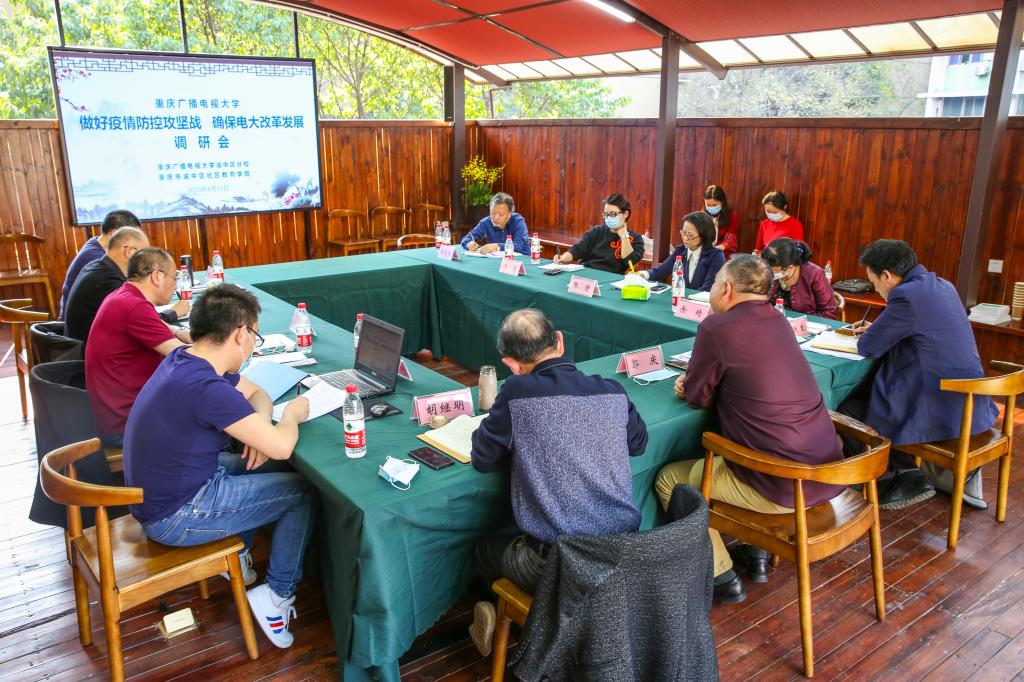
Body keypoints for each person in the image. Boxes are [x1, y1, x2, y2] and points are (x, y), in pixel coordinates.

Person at [123, 283, 314, 649]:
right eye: (255, 336)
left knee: (264, 467)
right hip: (176, 514)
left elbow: (257, 393)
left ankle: (237, 555)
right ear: (240, 334)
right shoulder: (205, 386)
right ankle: (276, 597)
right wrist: (291, 414)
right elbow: (281, 445)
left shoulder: (186, 358)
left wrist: (255, 430)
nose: (252, 344)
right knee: (301, 492)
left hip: (170, 491)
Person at [654, 256, 845, 603]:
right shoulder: (779, 319)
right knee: (741, 455)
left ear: (726, 289)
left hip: (781, 484)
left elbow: (697, 397)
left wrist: (688, 385)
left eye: (714, 283)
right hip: (826, 472)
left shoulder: (716, 327)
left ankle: (720, 576)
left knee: (672, 480)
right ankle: (755, 551)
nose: (712, 290)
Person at [467, 308, 648, 656]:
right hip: (622, 557)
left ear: (511, 364)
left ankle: (517, 624)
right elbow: (638, 443)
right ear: (560, 342)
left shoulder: (516, 391)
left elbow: (483, 458)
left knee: (484, 549)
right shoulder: (611, 389)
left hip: (555, 566)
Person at [842, 240, 998, 511]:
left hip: (939, 402)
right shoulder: (942, 285)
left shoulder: (906, 296)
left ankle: (894, 480)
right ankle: (911, 472)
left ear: (887, 275)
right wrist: (880, 327)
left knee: (847, 411)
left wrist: (875, 331)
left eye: (874, 282)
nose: (876, 290)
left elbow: (869, 347)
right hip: (969, 400)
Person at [85, 247, 191, 447]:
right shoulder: (134, 307)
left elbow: (156, 323)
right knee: (210, 409)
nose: (175, 284)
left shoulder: (122, 296)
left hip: (117, 413)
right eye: (174, 277)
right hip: (127, 424)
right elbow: (187, 358)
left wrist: (179, 331)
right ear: (157, 276)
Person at [64, 226, 188, 345]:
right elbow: (143, 321)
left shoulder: (97, 266)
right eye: (144, 254)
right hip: (89, 353)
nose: (149, 260)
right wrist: (173, 313)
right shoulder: (109, 282)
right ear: (130, 251)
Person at [59, 210, 141, 319]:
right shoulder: (96, 258)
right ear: (115, 233)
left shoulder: (95, 243)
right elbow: (125, 294)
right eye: (135, 236)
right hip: (75, 322)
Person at [552, 193, 644, 274]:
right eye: (606, 214)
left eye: (612, 214)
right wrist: (563, 258)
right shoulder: (597, 231)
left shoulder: (636, 238)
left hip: (612, 279)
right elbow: (577, 250)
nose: (608, 218)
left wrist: (624, 236)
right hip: (587, 274)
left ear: (625, 214)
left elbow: (630, 262)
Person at [640, 211, 724, 292]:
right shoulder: (681, 250)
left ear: (704, 236)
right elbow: (661, 271)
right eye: (683, 233)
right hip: (682, 299)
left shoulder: (715, 256)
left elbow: (707, 288)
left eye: (690, 235)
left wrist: (687, 299)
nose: (685, 238)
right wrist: (642, 274)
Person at [762, 238, 837, 319]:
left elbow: (829, 312)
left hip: (806, 324)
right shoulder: (767, 270)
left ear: (789, 268)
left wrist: (800, 322)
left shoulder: (815, 274)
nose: (768, 273)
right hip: (772, 321)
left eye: (773, 271)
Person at [461, 192, 529, 254]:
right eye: (493, 213)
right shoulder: (486, 222)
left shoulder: (518, 222)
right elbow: (467, 238)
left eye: (501, 215)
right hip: (498, 260)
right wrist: (469, 244)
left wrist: (496, 246)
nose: (496, 217)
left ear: (510, 214)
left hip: (522, 260)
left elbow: (518, 246)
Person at [753, 191, 803, 256]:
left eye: (774, 212)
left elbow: (799, 251)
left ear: (784, 207)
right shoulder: (765, 223)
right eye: (768, 211)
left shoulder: (795, 225)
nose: (771, 214)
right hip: (764, 260)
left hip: (784, 261)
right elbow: (758, 249)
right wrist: (755, 254)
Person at [703, 184, 740, 260]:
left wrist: (718, 248)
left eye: (714, 205)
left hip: (724, 253)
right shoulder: (703, 214)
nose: (711, 208)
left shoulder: (731, 215)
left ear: (722, 202)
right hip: (706, 252)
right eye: (708, 205)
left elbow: (731, 239)